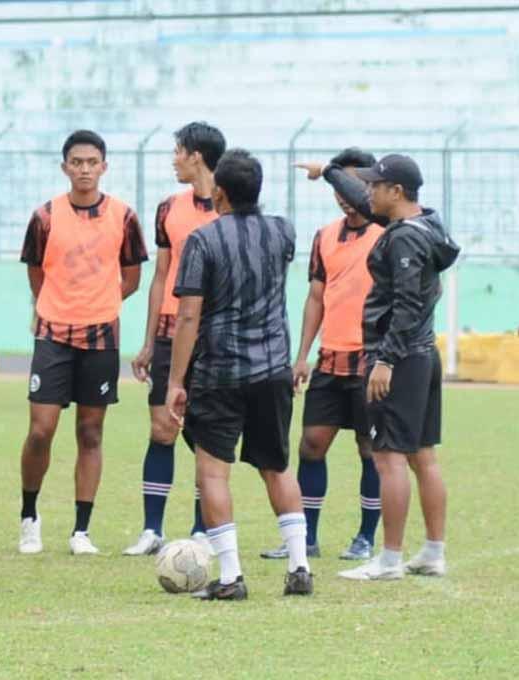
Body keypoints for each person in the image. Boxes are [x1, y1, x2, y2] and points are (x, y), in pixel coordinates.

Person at [165, 149, 313, 600]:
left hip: (220, 372)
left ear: (220, 192)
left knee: (212, 472)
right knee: (278, 466)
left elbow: (188, 316)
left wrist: (176, 380)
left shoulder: (203, 241)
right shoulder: (282, 232)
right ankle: (299, 567)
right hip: (272, 369)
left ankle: (230, 577)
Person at [318, 154, 459, 581]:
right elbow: (361, 198)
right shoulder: (427, 226)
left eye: (377, 186)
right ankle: (433, 551)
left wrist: (385, 360)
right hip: (423, 355)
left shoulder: (402, 240)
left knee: (388, 458)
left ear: (396, 192)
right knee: (422, 457)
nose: (370, 193)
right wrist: (327, 172)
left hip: (399, 358)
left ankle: (390, 559)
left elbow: (405, 305)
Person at [17, 129, 147, 556]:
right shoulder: (45, 216)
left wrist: (100, 302)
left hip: (101, 335)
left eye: (92, 162)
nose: (85, 169)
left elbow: (131, 276)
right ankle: (29, 517)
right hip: (53, 333)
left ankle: (81, 530)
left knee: (90, 432)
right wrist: (57, 304)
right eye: (77, 162)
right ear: (65, 167)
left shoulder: (124, 216)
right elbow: (36, 272)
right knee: (41, 429)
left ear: (104, 167)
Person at [260, 148, 384, 562]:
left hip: (371, 361)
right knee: (311, 444)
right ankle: (306, 537)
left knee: (371, 449)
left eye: (352, 183)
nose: (344, 194)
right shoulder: (325, 235)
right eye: (338, 184)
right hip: (330, 360)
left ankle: (366, 537)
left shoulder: (387, 234)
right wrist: (302, 355)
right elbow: (316, 296)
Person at [125, 122, 224, 556]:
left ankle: (204, 528)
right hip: (169, 331)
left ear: (196, 156)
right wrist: (148, 340)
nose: (174, 160)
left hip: (213, 335)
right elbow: (161, 274)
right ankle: (152, 529)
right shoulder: (169, 208)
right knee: (162, 427)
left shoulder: (231, 207)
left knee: (206, 433)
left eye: (178, 151)